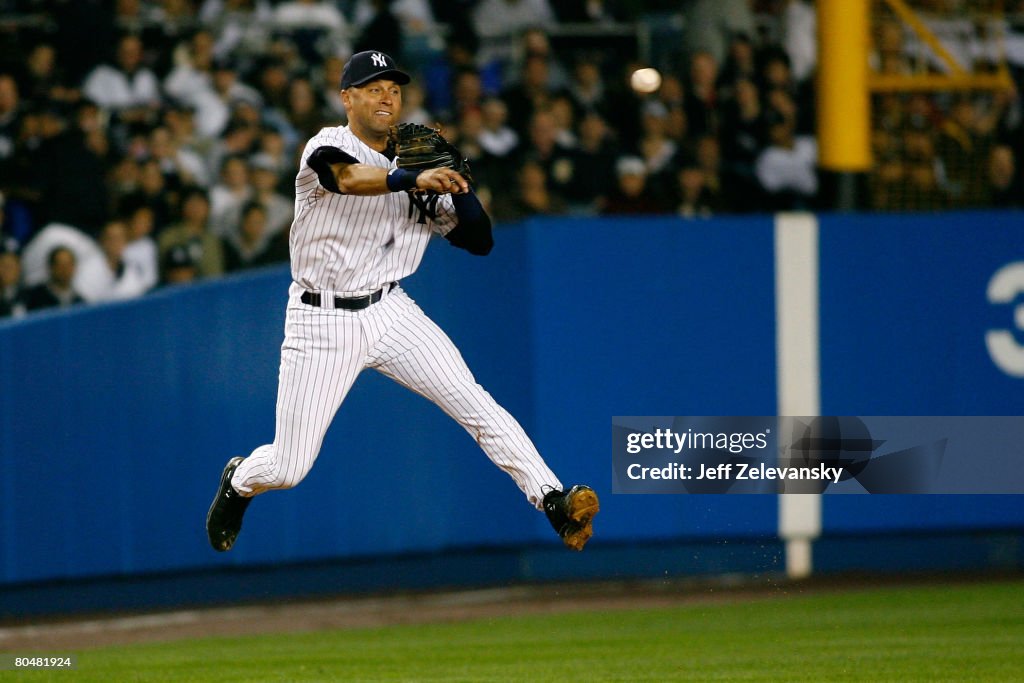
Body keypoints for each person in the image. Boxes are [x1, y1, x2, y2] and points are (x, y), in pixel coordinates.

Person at [205, 50, 598, 555]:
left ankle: (553, 501)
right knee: (288, 467)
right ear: (347, 98)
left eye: (393, 87)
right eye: (373, 87)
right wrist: (414, 178)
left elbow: (479, 241)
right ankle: (239, 481)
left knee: (475, 403)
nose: (386, 95)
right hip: (320, 319)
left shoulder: (422, 165)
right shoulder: (330, 144)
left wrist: (458, 182)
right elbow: (344, 179)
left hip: (391, 311)